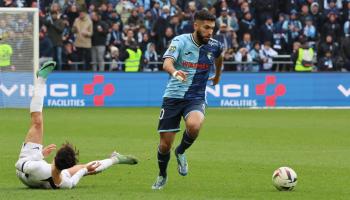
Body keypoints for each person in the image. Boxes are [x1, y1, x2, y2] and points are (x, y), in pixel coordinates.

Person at [15, 61, 138, 189]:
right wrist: (84, 169)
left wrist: (40, 155)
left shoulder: (38, 167)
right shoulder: (65, 183)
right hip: (45, 176)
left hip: (26, 167)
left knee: (37, 123)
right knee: (86, 168)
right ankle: (115, 159)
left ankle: (41, 78)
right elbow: (79, 175)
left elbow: (18, 164)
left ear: (55, 157)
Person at [151, 10, 223, 190]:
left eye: (212, 28)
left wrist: (217, 76)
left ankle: (181, 151)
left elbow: (220, 57)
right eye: (206, 28)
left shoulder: (215, 45)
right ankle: (162, 174)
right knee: (165, 145)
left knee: (195, 125)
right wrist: (175, 72)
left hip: (196, 97)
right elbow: (167, 63)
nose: (210, 32)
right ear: (196, 26)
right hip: (173, 97)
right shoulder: (180, 41)